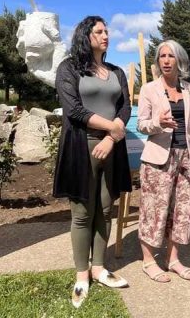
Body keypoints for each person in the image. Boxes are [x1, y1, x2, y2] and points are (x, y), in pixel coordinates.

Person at [54, 16, 132, 308]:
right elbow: (73, 109)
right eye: (99, 31)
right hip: (81, 146)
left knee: (106, 209)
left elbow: (125, 107)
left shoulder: (116, 72)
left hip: (111, 147)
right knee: (82, 213)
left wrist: (111, 137)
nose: (106, 35)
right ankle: (81, 274)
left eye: (107, 31)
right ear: (85, 35)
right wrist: (111, 128)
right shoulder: (69, 68)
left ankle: (99, 268)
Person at [137, 40, 190, 282]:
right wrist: (158, 123)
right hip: (158, 160)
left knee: (181, 211)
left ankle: (172, 259)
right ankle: (148, 261)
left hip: (186, 157)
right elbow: (141, 124)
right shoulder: (149, 89)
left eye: (171, 56)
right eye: (162, 56)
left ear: (179, 60)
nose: (166, 60)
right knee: (153, 210)